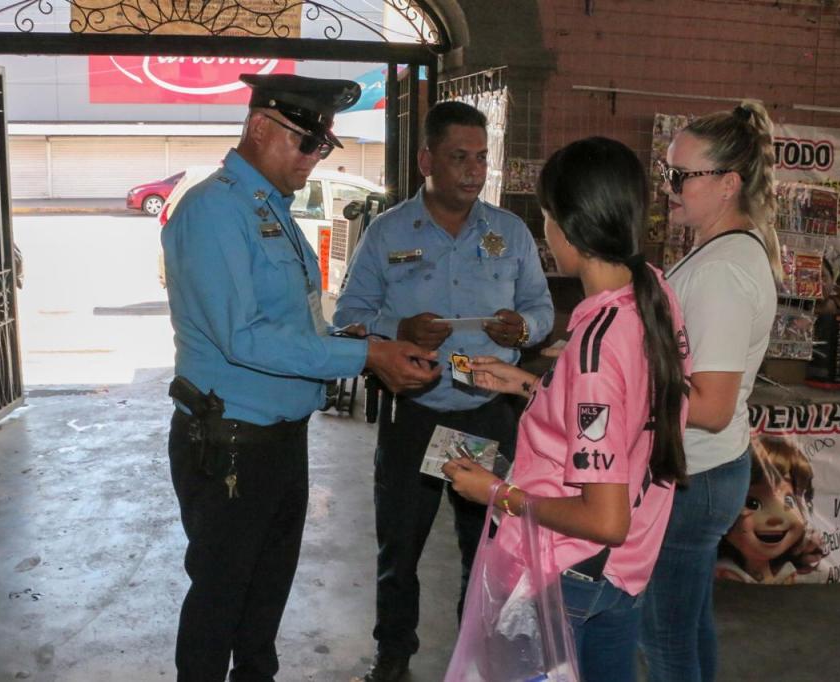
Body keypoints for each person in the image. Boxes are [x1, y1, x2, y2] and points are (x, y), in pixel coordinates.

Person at [161, 73, 441, 682]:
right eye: (306, 144)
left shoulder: (270, 209)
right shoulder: (214, 211)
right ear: (260, 127)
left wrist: (373, 344)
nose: (314, 160)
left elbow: (295, 328)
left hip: (280, 440)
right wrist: (365, 359)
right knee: (219, 602)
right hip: (230, 443)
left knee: (263, 605)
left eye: (323, 149)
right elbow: (244, 339)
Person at [443, 136, 692, 682]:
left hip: (569, 572)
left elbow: (605, 520)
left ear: (568, 229)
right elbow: (625, 415)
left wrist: (494, 493)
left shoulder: (596, 345)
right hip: (622, 575)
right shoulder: (654, 295)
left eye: (548, 216)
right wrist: (534, 386)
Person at [333, 100, 554, 682]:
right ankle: (394, 654)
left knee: (488, 549)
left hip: (486, 416)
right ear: (427, 159)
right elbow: (350, 315)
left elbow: (541, 307)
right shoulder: (387, 233)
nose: (473, 171)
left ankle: (476, 656)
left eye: (481, 158)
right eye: (459, 157)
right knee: (398, 547)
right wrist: (395, 332)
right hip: (417, 416)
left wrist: (523, 328)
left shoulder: (508, 232)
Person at [639, 100, 781, 682]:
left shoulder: (722, 271)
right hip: (704, 470)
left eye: (680, 175)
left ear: (728, 184)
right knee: (688, 624)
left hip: (695, 472)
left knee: (665, 637)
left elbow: (714, 406)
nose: (668, 186)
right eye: (666, 172)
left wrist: (623, 393)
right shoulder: (722, 253)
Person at [715, 435, 822, 584]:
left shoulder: (794, 573)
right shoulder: (721, 572)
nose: (775, 517)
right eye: (752, 503)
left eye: (789, 501)